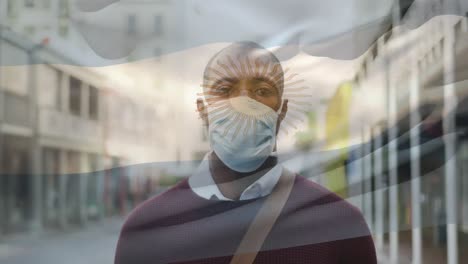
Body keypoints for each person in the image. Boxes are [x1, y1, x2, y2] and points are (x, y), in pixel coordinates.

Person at [114, 42, 377, 264]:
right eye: (224, 90)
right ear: (203, 110)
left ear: (281, 111)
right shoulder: (145, 230)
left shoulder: (341, 225)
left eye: (262, 91)